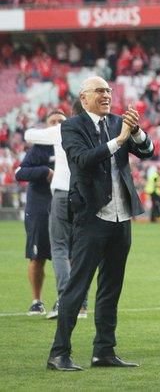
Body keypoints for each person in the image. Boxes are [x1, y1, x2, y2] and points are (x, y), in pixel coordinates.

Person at [47, 77, 155, 372]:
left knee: (111, 287)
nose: (106, 95)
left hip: (121, 217)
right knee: (77, 287)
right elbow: (82, 160)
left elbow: (148, 152)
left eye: (108, 90)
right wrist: (120, 139)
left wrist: (137, 133)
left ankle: (103, 351)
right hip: (92, 217)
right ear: (84, 97)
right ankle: (59, 353)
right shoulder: (72, 126)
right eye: (100, 91)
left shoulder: (118, 122)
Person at [26, 109, 87, 320]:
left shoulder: (61, 131)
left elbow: (28, 134)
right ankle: (82, 304)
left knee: (59, 248)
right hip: (83, 195)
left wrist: (51, 129)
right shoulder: (90, 130)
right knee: (80, 250)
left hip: (62, 193)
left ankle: (65, 301)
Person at [16, 112, 64, 315]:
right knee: (37, 256)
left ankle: (64, 299)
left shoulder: (71, 145)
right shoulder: (39, 148)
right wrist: (45, 171)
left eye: (60, 121)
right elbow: (20, 172)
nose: (56, 125)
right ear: (46, 126)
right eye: (52, 121)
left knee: (66, 254)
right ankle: (37, 301)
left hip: (63, 206)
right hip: (39, 208)